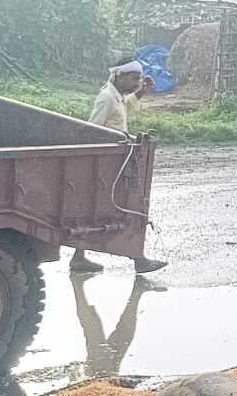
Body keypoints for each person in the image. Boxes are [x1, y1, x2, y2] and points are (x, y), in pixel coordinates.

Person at [72, 59, 168, 274]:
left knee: (96, 209)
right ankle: (139, 259)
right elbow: (93, 129)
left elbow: (123, 109)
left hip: (114, 162)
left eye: (138, 79)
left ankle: (79, 257)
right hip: (108, 163)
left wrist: (141, 93)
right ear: (119, 75)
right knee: (131, 207)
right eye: (134, 78)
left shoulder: (116, 96)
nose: (136, 83)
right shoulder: (106, 98)